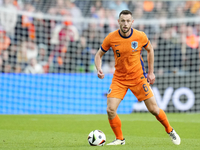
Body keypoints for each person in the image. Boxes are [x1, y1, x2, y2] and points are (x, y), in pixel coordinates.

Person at [94, 10, 181, 146]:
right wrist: (98, 68)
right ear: (118, 22)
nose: (125, 23)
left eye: (128, 21)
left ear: (132, 22)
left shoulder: (140, 36)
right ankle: (120, 139)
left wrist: (151, 72)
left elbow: (150, 50)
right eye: (123, 20)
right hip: (119, 79)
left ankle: (170, 130)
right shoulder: (111, 37)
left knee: (154, 109)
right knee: (110, 110)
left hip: (138, 78)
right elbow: (98, 55)